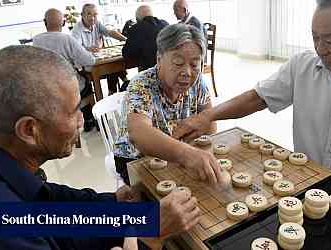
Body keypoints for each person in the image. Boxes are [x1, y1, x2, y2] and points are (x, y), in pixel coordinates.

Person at [0, 45, 201, 250]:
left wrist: (116, 203)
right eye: (74, 111)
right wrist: (149, 234)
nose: (81, 121)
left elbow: (50, 206)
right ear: (28, 130)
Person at [174, 0, 331, 201]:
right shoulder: (303, 65)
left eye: (330, 41)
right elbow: (256, 98)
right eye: (314, 38)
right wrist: (206, 116)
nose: (319, 49)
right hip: (301, 184)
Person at [113, 23, 222, 186]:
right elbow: (138, 133)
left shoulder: (198, 82)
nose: (187, 72)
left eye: (194, 64)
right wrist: (187, 153)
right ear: (159, 59)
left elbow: (210, 123)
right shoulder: (141, 85)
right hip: (136, 158)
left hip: (178, 153)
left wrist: (195, 149)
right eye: (178, 62)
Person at [33, 8, 97, 132]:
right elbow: (90, 60)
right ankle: (88, 119)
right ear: (63, 23)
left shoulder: (36, 40)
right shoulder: (67, 39)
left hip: (47, 89)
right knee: (86, 83)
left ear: (44, 22)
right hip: (68, 87)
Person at [72, 3, 129, 94]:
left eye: (95, 14)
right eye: (89, 14)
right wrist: (88, 49)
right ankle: (121, 84)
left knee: (113, 62)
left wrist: (126, 40)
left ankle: (114, 90)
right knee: (112, 65)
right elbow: (76, 50)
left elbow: (109, 32)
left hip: (98, 58)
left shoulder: (97, 23)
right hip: (85, 64)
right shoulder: (76, 29)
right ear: (82, 15)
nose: (92, 18)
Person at [122, 5, 169, 71]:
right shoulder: (165, 24)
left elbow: (126, 53)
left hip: (150, 71)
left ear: (137, 19)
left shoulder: (135, 28)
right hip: (168, 67)